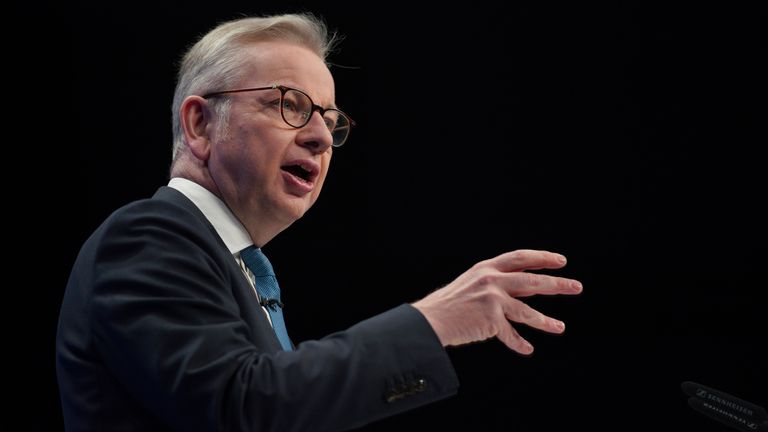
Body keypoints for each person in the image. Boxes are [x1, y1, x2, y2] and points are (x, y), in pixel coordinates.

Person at [56, 12, 583, 431]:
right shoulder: (148, 238)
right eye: (289, 105)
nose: (321, 138)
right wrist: (432, 321)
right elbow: (245, 407)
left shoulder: (230, 264)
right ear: (199, 123)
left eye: (331, 121)